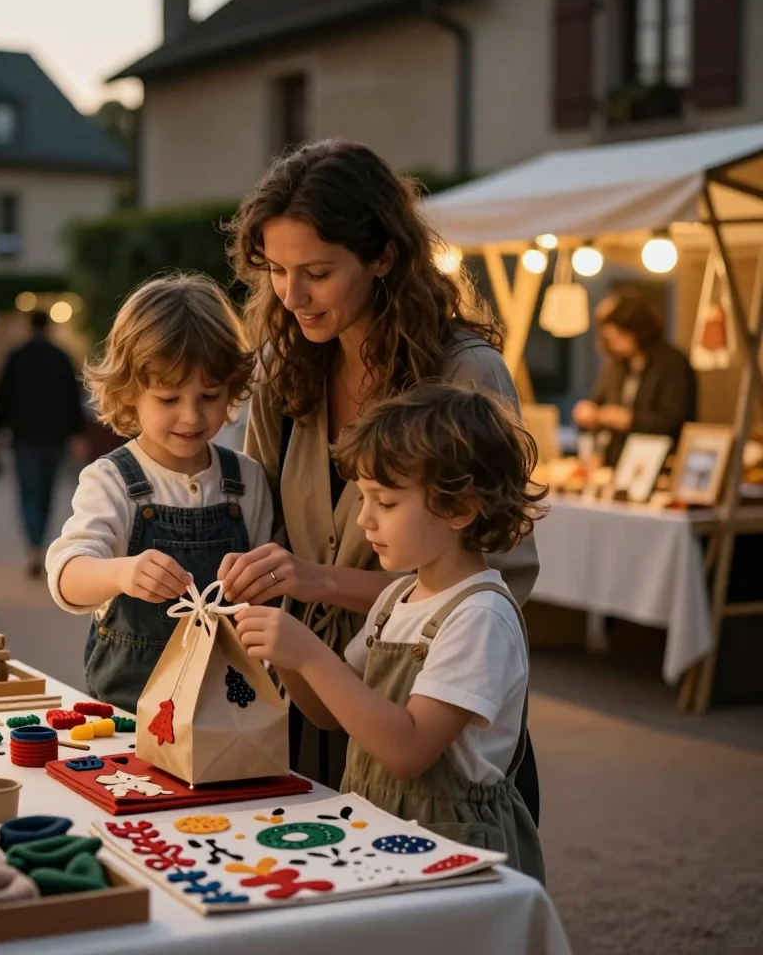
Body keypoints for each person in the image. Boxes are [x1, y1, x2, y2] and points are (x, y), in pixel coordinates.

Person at [217, 140, 541, 821]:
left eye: (317, 272)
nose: (292, 295)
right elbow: (264, 525)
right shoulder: (284, 366)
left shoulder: (465, 374)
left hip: (426, 720)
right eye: (276, 270)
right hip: (310, 706)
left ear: (384, 256)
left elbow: (497, 573)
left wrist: (318, 583)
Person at [235, 383, 546, 881]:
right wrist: (283, 650)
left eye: (386, 501)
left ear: (460, 509)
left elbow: (408, 750)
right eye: (364, 498)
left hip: (454, 844)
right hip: (381, 823)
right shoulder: (396, 600)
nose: (364, 518)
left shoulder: (480, 615)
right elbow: (327, 713)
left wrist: (310, 653)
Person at [46, 274, 273, 714]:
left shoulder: (247, 479)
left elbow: (267, 590)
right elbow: (67, 576)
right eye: (169, 399)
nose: (191, 415)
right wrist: (122, 573)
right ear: (130, 394)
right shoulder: (111, 479)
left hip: (227, 707)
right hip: (129, 710)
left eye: (209, 395)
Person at [0, 311, 88, 578]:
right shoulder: (60, 357)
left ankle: (34, 545)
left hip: (24, 435)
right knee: (46, 491)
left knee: (28, 492)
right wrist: (77, 434)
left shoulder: (17, 356)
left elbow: (4, 397)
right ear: (48, 327)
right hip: (54, 436)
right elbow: (73, 398)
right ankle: (39, 543)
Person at [573, 290, 697, 466]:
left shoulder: (672, 363)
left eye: (619, 336)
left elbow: (674, 421)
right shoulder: (617, 366)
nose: (614, 344)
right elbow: (597, 403)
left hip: (659, 463)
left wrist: (629, 420)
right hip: (616, 462)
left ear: (637, 330)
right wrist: (589, 413)